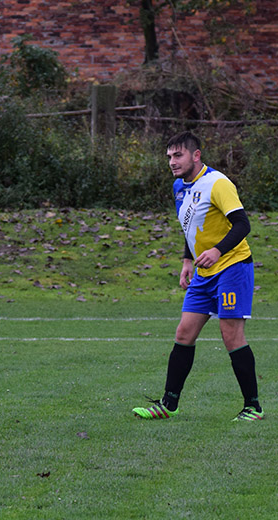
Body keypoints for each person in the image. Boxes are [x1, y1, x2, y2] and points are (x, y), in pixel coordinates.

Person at [133, 131, 262, 421]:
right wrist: (187, 261)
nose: (172, 162)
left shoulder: (218, 183)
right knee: (184, 333)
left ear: (196, 155)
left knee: (231, 334)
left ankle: (253, 407)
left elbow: (242, 225)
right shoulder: (179, 186)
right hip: (204, 272)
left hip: (232, 266)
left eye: (178, 155)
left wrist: (217, 251)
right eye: (169, 156)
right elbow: (192, 227)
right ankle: (168, 405)